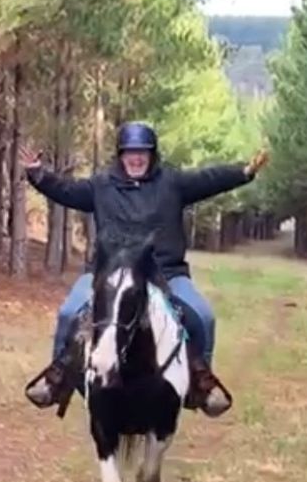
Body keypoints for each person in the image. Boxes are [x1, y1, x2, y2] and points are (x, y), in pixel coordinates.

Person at [23, 121, 269, 416]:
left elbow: (209, 178)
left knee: (203, 317)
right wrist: (37, 173)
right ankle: (56, 381)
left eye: (143, 152)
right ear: (120, 154)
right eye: (130, 152)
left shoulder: (172, 183)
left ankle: (201, 385)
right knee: (68, 314)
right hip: (107, 274)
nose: (136, 158)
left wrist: (243, 172)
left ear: (152, 155)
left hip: (165, 273)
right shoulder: (101, 186)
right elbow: (66, 190)